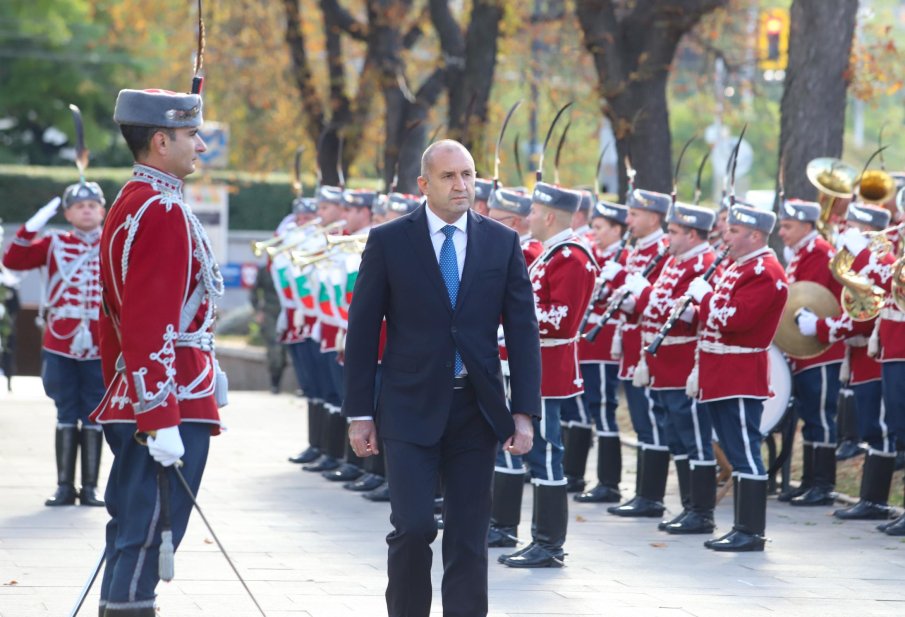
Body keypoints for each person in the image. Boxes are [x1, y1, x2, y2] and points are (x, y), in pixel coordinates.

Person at [342, 139, 540, 617]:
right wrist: (359, 413)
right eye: (450, 176)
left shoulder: (500, 241)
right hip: (408, 409)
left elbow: (522, 330)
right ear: (424, 184)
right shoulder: (390, 241)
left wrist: (524, 413)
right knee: (412, 527)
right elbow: (364, 331)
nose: (462, 185)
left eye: (468, 174)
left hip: (477, 410)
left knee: (469, 535)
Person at [90, 88, 226, 616]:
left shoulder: (133, 199)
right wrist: (157, 416)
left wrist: (122, 394)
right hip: (166, 401)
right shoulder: (162, 208)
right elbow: (146, 322)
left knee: (130, 531)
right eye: (192, 135)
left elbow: (114, 321)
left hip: (144, 394)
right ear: (161, 140)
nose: (200, 146)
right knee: (147, 536)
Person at [687, 202, 788, 552]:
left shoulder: (765, 271)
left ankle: (750, 531)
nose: (725, 236)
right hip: (721, 373)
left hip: (741, 374)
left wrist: (705, 298)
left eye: (732, 231)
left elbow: (734, 319)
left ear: (755, 235)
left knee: (745, 451)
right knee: (734, 449)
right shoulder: (739, 265)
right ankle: (742, 528)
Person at [2, 182, 108, 507]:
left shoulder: (113, 244)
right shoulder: (54, 243)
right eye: (79, 206)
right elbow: (13, 259)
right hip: (61, 341)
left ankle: (89, 488)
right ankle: (64, 486)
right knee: (65, 412)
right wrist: (34, 223)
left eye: (92, 205)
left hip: (101, 342)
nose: (86, 209)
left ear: (103, 210)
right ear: (67, 213)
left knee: (94, 413)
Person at [628, 202, 721, 534]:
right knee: (677, 439)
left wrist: (647, 293)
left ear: (692, 234)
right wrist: (636, 298)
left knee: (695, 438)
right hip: (662, 365)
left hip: (684, 366)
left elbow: (690, 315)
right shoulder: (674, 261)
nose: (667, 237)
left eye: (673, 232)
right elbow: (656, 310)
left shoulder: (705, 263)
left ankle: (702, 511)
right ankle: (688, 506)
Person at [803, 203, 895, 521]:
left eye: (853, 226)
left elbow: (865, 315)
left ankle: (876, 501)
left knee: (881, 427)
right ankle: (870, 499)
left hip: (879, 353)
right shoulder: (864, 262)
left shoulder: (882, 260)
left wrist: (818, 328)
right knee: (874, 427)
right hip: (863, 355)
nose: (845, 231)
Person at [832, 213, 905, 536]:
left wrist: (863, 253)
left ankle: (877, 500)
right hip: (891, 348)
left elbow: (888, 280)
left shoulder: (890, 257)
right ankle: (874, 500)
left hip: (899, 349)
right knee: (896, 429)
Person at [601, 188, 671, 518]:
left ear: (654, 217)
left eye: (634, 215)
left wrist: (632, 297)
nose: (627, 220)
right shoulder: (636, 250)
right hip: (631, 345)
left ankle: (651, 496)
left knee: (650, 421)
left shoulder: (662, 249)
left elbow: (658, 304)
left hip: (651, 348)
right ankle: (642, 492)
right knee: (641, 421)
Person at [776, 199, 844, 506]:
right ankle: (809, 481)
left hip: (821, 349)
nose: (781, 232)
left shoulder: (817, 252)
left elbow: (811, 298)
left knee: (821, 417)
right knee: (810, 416)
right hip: (805, 347)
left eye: (788, 226)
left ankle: (823, 484)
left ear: (806, 225)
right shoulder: (802, 253)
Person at [572, 200, 629, 504]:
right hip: (588, 344)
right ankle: (579, 473)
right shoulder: (599, 254)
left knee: (604, 410)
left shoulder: (625, 257)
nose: (594, 233)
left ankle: (609, 482)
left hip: (605, 345)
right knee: (592, 407)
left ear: (617, 229)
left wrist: (615, 278)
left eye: (599, 228)